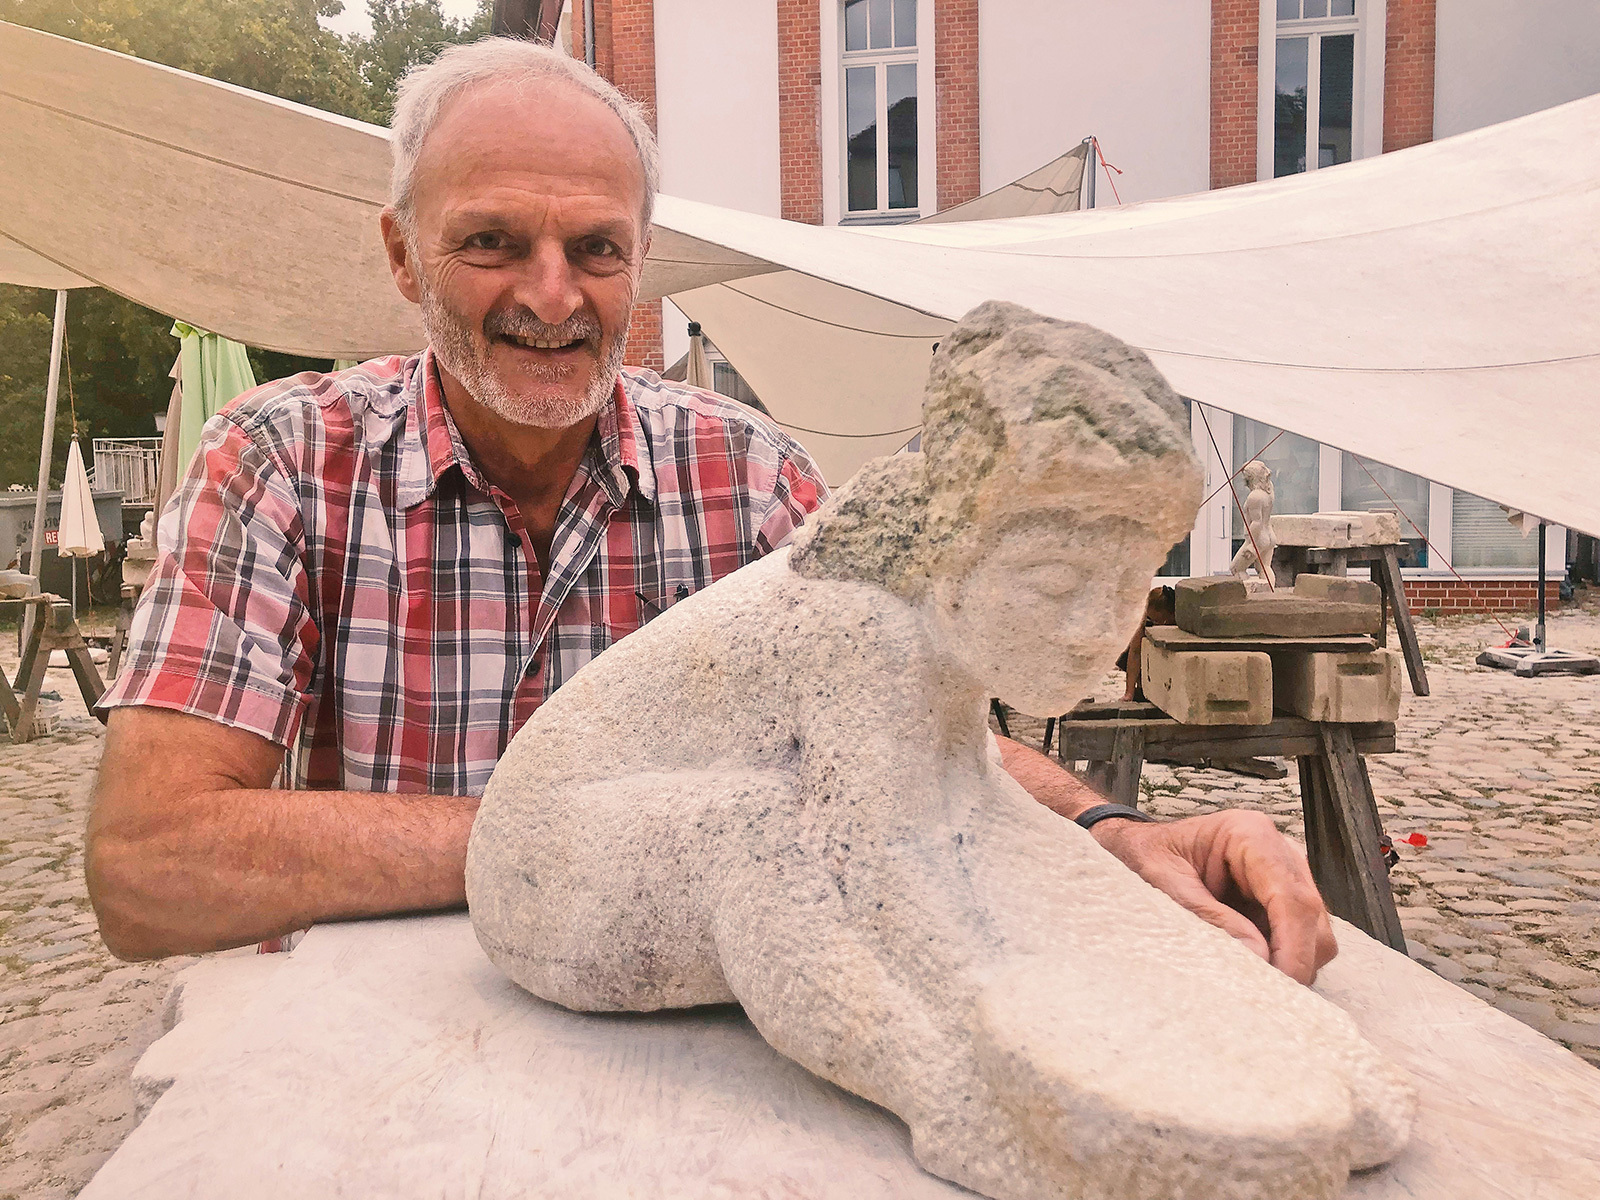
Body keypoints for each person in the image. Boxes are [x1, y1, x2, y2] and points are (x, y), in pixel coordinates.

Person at [85, 39, 1335, 985]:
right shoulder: (280, 463)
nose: (552, 296)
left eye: (597, 249)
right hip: (373, 1064)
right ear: (404, 255)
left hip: (683, 1054)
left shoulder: (747, 473)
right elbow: (150, 866)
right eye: (491, 242)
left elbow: (916, 730)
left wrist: (1108, 832)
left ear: (642, 261)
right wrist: (560, 840)